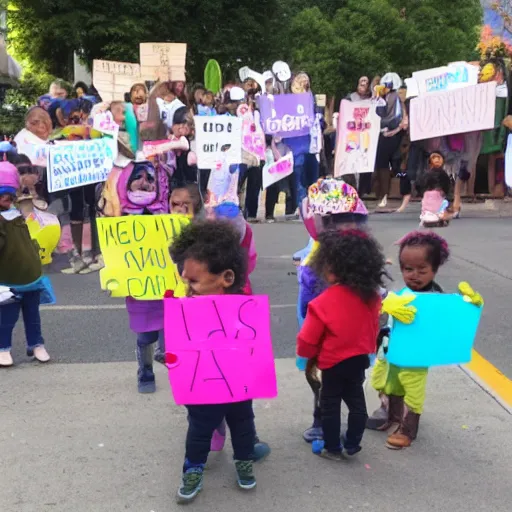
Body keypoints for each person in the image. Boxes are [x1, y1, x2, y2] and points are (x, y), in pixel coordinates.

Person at [169, 220, 260, 503]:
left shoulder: (244, 308)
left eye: (193, 281)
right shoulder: (188, 308)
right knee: (199, 431)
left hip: (238, 385)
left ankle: (244, 464)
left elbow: (253, 346)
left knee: (243, 425)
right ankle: (193, 471)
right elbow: (182, 349)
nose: (188, 286)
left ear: (227, 278)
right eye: (185, 280)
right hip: (203, 390)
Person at [370, 231, 484, 449]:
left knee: (413, 388)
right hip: (393, 349)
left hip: (418, 354)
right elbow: (380, 315)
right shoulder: (400, 292)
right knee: (390, 381)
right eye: (408, 269)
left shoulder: (437, 297)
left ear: (434, 269)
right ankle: (392, 414)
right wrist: (386, 307)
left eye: (422, 270)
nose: (414, 275)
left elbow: (450, 320)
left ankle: (408, 429)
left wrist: (470, 304)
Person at [297, 229, 386, 460]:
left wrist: (307, 355)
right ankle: (353, 443)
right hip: (359, 360)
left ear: (332, 268)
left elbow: (307, 339)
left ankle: (333, 448)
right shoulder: (371, 297)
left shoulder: (322, 302)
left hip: (332, 362)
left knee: (330, 404)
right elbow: (374, 326)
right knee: (356, 401)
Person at [0, 161, 50, 366]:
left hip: (32, 276)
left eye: (9, 195)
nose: (6, 199)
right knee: (6, 318)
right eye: (2, 195)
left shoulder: (18, 213)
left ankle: (36, 344)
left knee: (33, 315)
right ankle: (3, 348)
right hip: (8, 279)